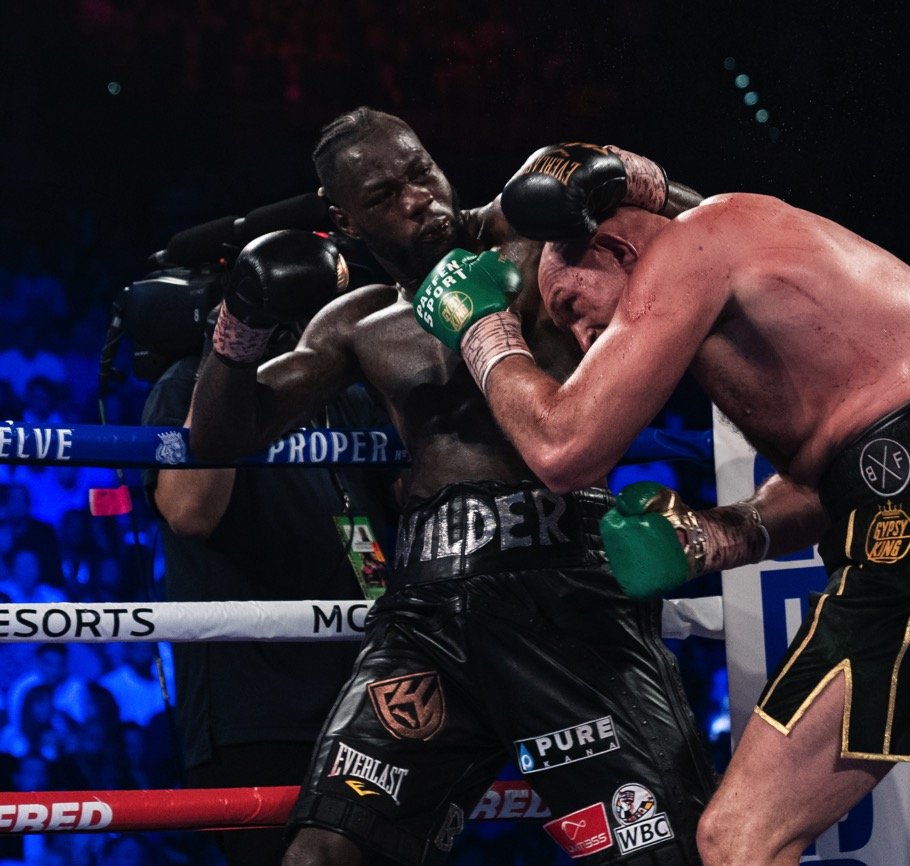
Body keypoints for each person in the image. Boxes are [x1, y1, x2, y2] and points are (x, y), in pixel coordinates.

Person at [419, 146, 910, 865]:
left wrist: (485, 327)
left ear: (615, 245)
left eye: (574, 307)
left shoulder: (697, 240)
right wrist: (715, 537)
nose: (578, 341)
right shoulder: (761, 260)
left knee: (738, 840)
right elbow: (858, 467)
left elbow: (563, 448)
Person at [186, 108, 717, 865]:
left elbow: (716, 237)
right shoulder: (360, 321)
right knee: (322, 854)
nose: (419, 200)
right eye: (384, 197)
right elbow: (220, 437)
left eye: (421, 173)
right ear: (344, 217)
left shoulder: (536, 236)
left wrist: (628, 177)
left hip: (566, 589)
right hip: (428, 613)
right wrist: (240, 321)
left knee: (653, 849)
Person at [143, 229, 400, 866]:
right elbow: (189, 513)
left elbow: (405, 503)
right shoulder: (188, 385)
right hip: (253, 706)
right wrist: (234, 350)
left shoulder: (349, 397)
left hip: (363, 691)